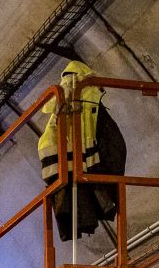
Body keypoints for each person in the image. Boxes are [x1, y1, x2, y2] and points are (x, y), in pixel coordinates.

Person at [37, 60, 127, 241]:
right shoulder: (92, 103)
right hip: (93, 175)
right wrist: (115, 180)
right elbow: (115, 147)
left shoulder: (55, 112)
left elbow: (46, 151)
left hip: (65, 184)